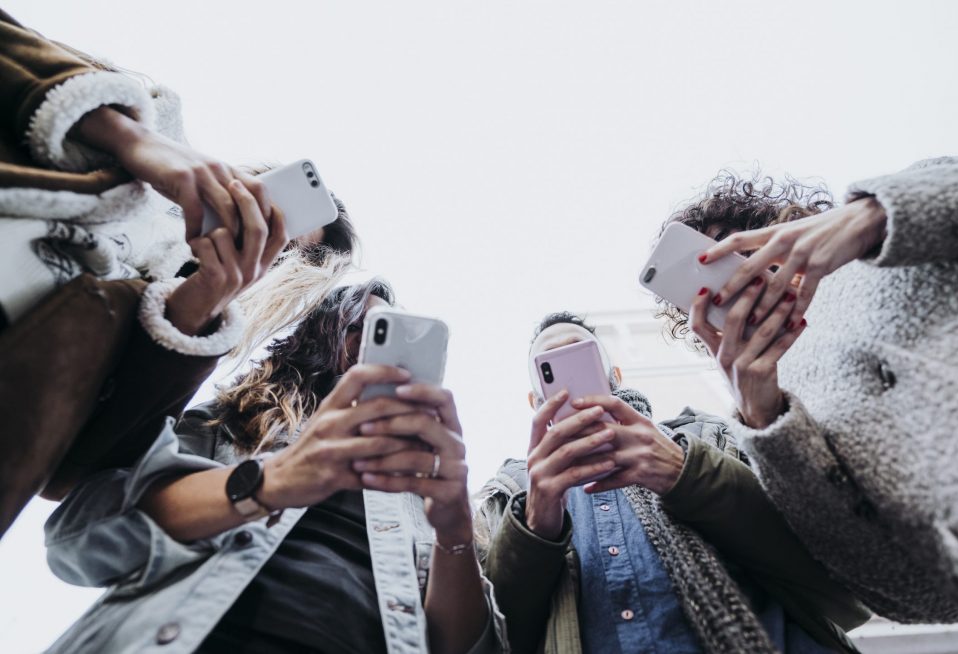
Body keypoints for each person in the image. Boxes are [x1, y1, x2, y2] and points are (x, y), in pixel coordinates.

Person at [0, 8, 352, 536]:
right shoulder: (150, 117)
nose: (260, 240)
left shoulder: (183, 338)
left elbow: (70, 477)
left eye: (281, 254)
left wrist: (201, 303)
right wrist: (127, 138)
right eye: (268, 214)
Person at [43, 279, 507, 654]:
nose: (370, 349)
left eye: (384, 336)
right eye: (357, 327)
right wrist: (272, 480)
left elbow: (470, 646)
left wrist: (455, 535)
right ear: (322, 336)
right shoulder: (233, 419)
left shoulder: (426, 487)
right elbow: (79, 539)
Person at [653, 159, 958, 625]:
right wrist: (768, 422)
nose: (731, 282)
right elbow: (918, 598)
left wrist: (876, 216)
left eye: (731, 249)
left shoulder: (886, 232)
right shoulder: (778, 410)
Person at [475, 312, 868, 654]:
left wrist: (685, 472)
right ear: (534, 400)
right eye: (550, 367)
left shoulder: (705, 436)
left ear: (614, 376)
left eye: (580, 354)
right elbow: (500, 637)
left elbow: (828, 571)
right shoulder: (510, 494)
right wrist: (535, 526)